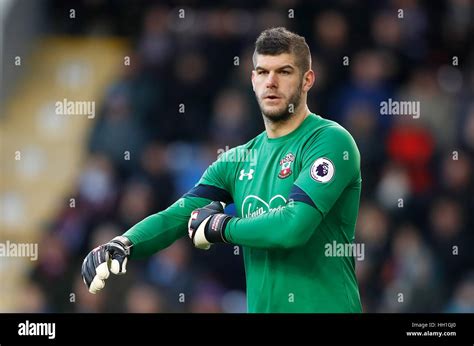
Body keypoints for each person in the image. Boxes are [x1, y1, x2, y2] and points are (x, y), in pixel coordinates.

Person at [81, 27, 363, 313]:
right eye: (263, 72)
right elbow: (179, 215)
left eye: (285, 72)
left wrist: (222, 226)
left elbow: (294, 228)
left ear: (307, 80)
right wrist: (124, 243)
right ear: (253, 80)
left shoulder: (330, 141)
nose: (272, 82)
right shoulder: (237, 160)